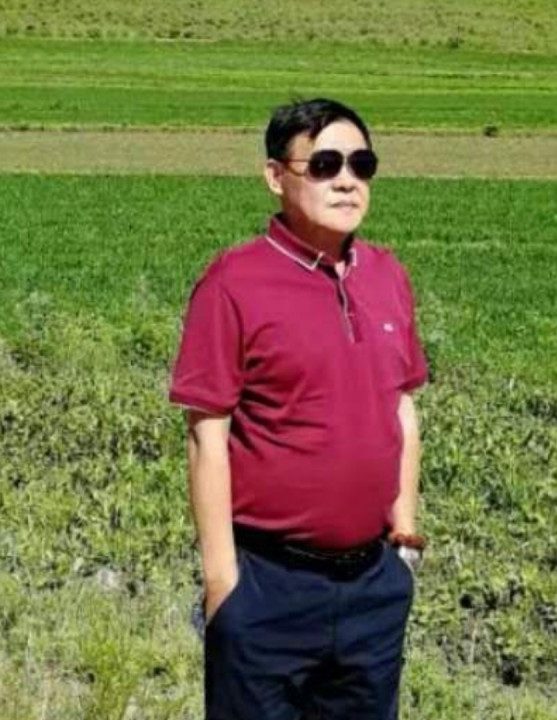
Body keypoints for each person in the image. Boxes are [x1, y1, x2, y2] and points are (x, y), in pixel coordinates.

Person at [168, 97, 429, 720]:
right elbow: (207, 435)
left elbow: (402, 408)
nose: (346, 180)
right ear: (275, 176)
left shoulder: (386, 275)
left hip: (372, 585)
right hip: (267, 585)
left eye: (362, 164)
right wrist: (222, 583)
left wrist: (405, 540)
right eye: (325, 164)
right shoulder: (233, 283)